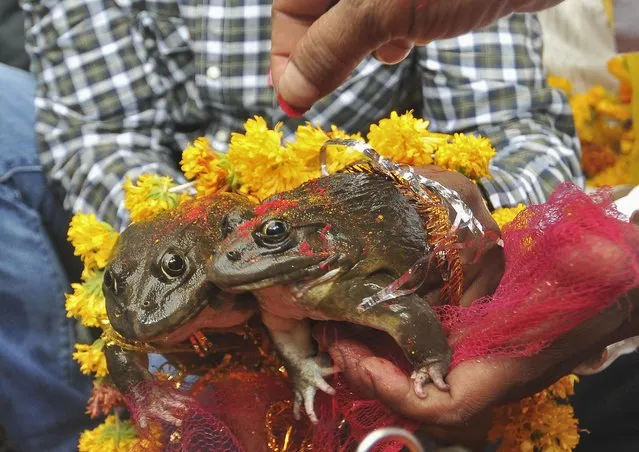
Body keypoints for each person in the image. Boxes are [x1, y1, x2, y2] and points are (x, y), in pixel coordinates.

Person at [12, 0, 583, 449]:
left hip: (366, 205)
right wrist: (183, 238)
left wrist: (445, 216)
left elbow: (517, 133)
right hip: (195, 215)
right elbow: (100, 133)